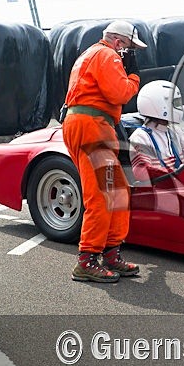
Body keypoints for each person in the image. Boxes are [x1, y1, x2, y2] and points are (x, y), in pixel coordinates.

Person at [62, 20, 147, 283]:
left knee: (117, 192)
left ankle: (110, 254)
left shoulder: (90, 54)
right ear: (119, 42)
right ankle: (87, 259)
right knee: (102, 195)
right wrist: (133, 77)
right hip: (92, 127)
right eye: (130, 48)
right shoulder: (108, 55)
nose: (130, 54)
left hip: (88, 125)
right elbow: (119, 93)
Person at [129, 80, 184, 177]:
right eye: (175, 103)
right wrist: (173, 171)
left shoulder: (174, 130)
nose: (178, 107)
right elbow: (142, 172)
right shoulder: (140, 137)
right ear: (161, 105)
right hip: (161, 188)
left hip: (183, 183)